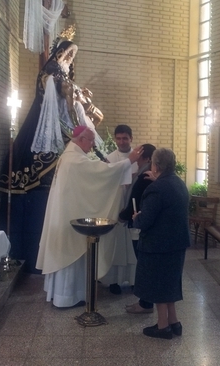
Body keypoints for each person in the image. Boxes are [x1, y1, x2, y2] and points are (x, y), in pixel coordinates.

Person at [0, 29, 104, 273]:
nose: (69, 59)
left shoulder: (64, 77)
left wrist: (79, 96)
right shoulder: (49, 75)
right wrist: (69, 92)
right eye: (66, 54)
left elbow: (72, 105)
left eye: (72, 56)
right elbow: (55, 103)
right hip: (47, 127)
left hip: (66, 123)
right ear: (58, 54)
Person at [36, 126, 143, 307]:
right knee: (71, 255)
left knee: (70, 254)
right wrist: (127, 163)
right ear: (81, 139)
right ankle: (67, 297)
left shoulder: (70, 156)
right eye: (91, 140)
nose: (93, 145)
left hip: (66, 214)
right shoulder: (74, 160)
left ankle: (65, 295)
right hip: (68, 217)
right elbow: (101, 174)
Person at [132, 148, 190, 339]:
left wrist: (136, 218)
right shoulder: (180, 183)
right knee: (170, 284)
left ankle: (163, 326)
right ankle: (174, 322)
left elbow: (146, 220)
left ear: (155, 165)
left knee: (159, 285)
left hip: (158, 245)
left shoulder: (156, 188)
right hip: (177, 243)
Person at [100, 125, 139, 294]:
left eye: (125, 138)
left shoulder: (139, 157)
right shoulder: (110, 158)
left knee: (134, 246)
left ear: (131, 138)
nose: (122, 142)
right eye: (119, 138)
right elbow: (105, 181)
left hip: (134, 207)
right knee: (117, 246)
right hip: (116, 206)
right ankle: (113, 281)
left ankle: (134, 280)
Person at [119, 143, 156, 314]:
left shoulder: (145, 176)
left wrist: (122, 216)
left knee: (144, 266)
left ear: (146, 158)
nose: (135, 156)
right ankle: (146, 302)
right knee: (145, 265)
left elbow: (136, 199)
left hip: (139, 227)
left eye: (138, 154)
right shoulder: (145, 174)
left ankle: (145, 304)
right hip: (145, 226)